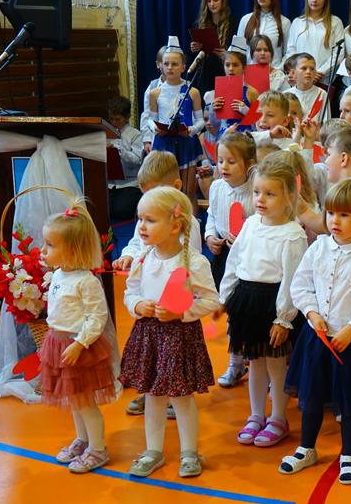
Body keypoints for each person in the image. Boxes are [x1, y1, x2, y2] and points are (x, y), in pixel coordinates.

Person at [281, 180, 351, 485]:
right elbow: (301, 285)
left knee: (349, 400)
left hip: (350, 342)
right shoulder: (318, 247)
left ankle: (349, 455)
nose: (334, 221)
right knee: (312, 395)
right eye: (330, 214)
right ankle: (306, 448)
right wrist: (311, 313)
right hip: (317, 339)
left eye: (344, 215)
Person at [119, 187, 218, 478]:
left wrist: (180, 313)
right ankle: (153, 450)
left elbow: (211, 300)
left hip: (179, 337)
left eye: (150, 220)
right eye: (140, 219)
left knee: (182, 398)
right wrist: (138, 305)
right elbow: (130, 292)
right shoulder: (142, 258)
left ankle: (189, 452)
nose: (141, 226)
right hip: (148, 335)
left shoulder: (193, 262)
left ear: (175, 226)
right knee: (153, 396)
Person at [219, 161, 307, 448]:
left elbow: (293, 279)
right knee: (255, 362)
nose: (260, 199)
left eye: (270, 194)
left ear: (289, 197)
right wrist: (225, 297)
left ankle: (278, 417)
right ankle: (256, 414)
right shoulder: (250, 225)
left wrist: (283, 318)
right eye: (257, 192)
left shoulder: (293, 234)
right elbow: (235, 262)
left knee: (276, 365)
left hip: (273, 304)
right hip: (247, 300)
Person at [41, 202, 119, 473]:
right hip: (58, 342)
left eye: (50, 245)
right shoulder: (58, 274)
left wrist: (79, 343)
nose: (43, 250)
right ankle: (83, 439)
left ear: (72, 250)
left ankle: (98, 449)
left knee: (85, 402)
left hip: (79, 347)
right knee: (75, 400)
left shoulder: (86, 281)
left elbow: (97, 317)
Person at [205, 132, 256, 388]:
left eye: (231, 161)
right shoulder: (217, 187)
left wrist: (245, 239)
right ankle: (236, 363)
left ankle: (256, 360)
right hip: (224, 255)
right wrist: (210, 236)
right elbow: (212, 215)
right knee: (230, 310)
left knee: (248, 311)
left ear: (249, 164)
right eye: (220, 160)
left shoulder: (255, 190)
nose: (223, 166)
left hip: (250, 259)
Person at [149, 37, 205, 210]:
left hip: (186, 142)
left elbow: (200, 121)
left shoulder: (192, 92)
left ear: (183, 67)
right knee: (166, 191)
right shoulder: (155, 93)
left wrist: (191, 130)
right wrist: (155, 128)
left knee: (188, 191)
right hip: (164, 143)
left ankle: (191, 223)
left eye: (174, 64)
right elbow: (151, 118)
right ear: (161, 65)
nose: (170, 67)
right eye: (166, 64)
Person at [286, 0, 344, 84]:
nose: (314, 0)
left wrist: (319, 72)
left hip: (324, 80)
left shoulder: (335, 22)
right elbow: (291, 51)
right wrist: (301, 71)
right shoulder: (297, 22)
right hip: (300, 79)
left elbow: (339, 53)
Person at [190, 0, 236, 97]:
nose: (212, 4)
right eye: (208, 1)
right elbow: (193, 56)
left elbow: (239, 54)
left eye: (215, 0)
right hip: (205, 75)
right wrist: (194, 48)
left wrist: (226, 55)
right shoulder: (200, 24)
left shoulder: (233, 24)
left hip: (224, 73)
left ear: (222, 1)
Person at [106, 95, 143, 222]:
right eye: (111, 119)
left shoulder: (135, 134)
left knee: (121, 211)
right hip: (110, 183)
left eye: (118, 119)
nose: (113, 123)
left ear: (127, 117)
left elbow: (137, 160)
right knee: (102, 209)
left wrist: (117, 149)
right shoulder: (106, 132)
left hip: (129, 183)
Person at [238, 0, 290, 69]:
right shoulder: (245, 19)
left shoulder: (284, 22)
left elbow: (288, 53)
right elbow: (239, 50)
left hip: (274, 73)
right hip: (250, 73)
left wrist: (277, 69)